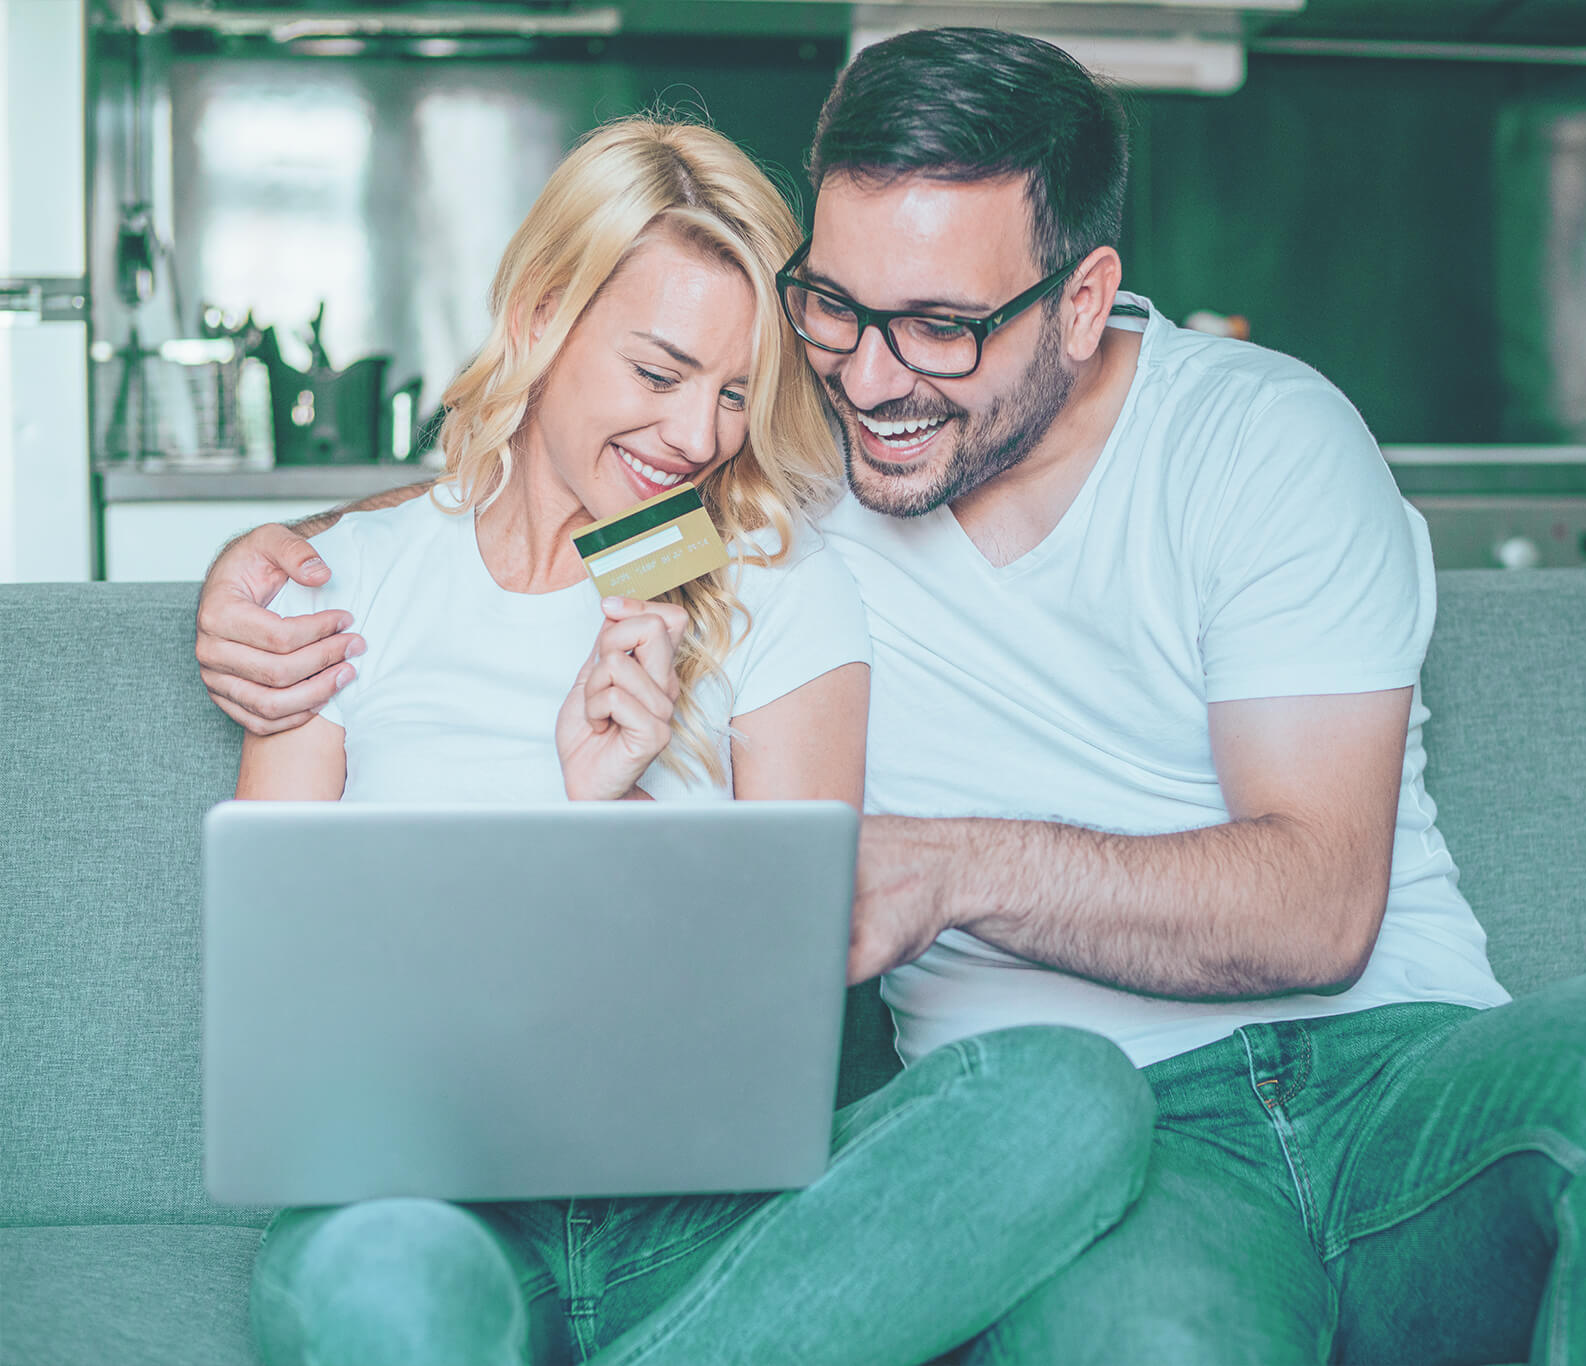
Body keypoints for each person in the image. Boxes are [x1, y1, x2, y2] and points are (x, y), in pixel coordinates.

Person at [199, 31, 1586, 1365]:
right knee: (1134, 1305)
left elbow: (1321, 905)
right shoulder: (779, 482)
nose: (869, 378)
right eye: (829, 309)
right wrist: (261, 566)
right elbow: (529, 523)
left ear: (1074, 297)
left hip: (1396, 1074)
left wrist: (957, 864)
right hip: (1114, 1145)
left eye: (938, 326)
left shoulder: (1258, 438)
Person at [222, 115, 1154, 1366]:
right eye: (658, 375)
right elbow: (288, 1007)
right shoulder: (343, 585)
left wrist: (618, 815)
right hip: (423, 1204)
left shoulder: (781, 585)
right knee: (383, 1283)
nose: (699, 438)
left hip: (711, 1222)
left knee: (1068, 1095)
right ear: (543, 318)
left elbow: (796, 991)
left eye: (731, 393)